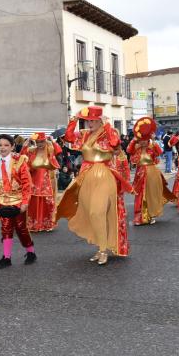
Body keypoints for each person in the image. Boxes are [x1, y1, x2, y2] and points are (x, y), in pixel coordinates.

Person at [56, 106, 132, 265]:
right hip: (87, 176)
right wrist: (74, 119)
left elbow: (115, 143)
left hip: (105, 175)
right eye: (88, 121)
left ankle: (103, 250)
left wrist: (107, 125)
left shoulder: (109, 133)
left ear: (100, 120)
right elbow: (68, 137)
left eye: (93, 121)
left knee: (97, 212)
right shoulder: (83, 135)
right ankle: (100, 247)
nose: (90, 124)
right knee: (91, 214)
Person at [0, 134, 36, 268]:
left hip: (18, 201)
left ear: (12, 146)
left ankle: (31, 252)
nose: (2, 148)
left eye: (6, 145)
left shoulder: (20, 161)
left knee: (21, 228)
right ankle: (6, 257)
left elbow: (26, 183)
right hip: (3, 201)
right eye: (0, 145)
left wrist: (25, 202)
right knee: (6, 228)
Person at [127, 117, 176, 226]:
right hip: (140, 173)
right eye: (141, 140)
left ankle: (152, 215)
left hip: (152, 172)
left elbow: (160, 152)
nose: (143, 142)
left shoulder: (152, 145)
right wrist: (135, 140)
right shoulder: (136, 146)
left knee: (151, 194)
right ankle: (139, 217)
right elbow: (128, 150)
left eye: (145, 139)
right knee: (140, 194)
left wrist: (153, 141)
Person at [20, 132, 61, 232]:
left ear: (45, 141)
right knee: (33, 202)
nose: (40, 144)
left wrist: (52, 141)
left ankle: (46, 224)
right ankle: (33, 225)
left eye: (42, 142)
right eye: (38, 142)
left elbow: (59, 151)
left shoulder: (49, 149)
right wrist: (25, 145)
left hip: (47, 180)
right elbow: (22, 157)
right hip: (33, 179)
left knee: (47, 202)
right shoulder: (32, 150)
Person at [112, 145, 130, 256]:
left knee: (119, 202)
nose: (115, 152)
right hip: (108, 185)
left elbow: (126, 172)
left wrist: (126, 184)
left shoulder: (123, 158)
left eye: (117, 149)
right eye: (113, 149)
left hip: (118, 185)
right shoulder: (107, 158)